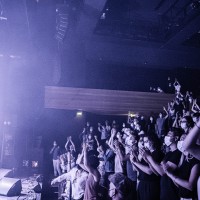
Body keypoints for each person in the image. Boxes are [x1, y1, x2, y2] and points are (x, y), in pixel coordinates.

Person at [144, 128, 182, 200]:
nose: (166, 137)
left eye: (169, 135)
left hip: (172, 193)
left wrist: (149, 157)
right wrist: (148, 161)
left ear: (176, 138)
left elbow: (163, 171)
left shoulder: (178, 153)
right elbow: (158, 173)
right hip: (164, 192)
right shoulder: (168, 153)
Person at [165, 134, 200, 199]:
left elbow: (190, 186)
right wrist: (171, 175)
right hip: (182, 197)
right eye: (180, 139)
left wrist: (172, 176)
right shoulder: (183, 159)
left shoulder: (195, 160)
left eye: (183, 138)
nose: (180, 141)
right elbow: (180, 185)